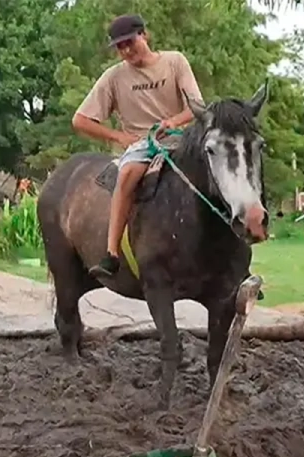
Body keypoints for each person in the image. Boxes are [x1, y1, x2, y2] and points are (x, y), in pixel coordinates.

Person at [72, 13, 204, 278]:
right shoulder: (113, 77)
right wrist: (117, 137)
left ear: (144, 35)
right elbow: (80, 120)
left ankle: (238, 252)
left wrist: (173, 122)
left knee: (220, 165)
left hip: (180, 138)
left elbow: (197, 107)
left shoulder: (174, 62)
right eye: (119, 47)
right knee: (127, 174)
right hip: (142, 144)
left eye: (130, 42)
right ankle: (111, 253)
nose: (126, 50)